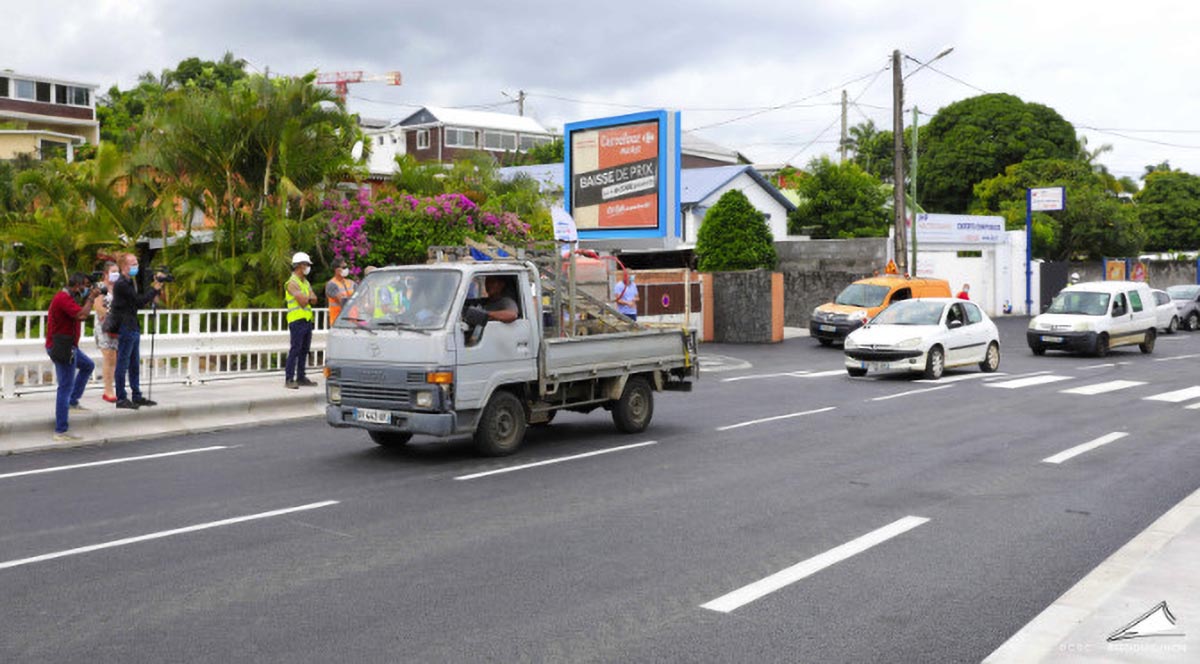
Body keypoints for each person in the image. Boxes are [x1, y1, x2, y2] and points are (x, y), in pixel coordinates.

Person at [46, 273, 102, 441]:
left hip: (70, 347)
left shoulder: (69, 297)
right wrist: (91, 298)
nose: (87, 289)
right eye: (85, 286)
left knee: (88, 366)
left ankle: (72, 402)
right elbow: (82, 315)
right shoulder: (63, 298)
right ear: (77, 285)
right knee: (64, 387)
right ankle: (61, 430)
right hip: (63, 348)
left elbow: (79, 314)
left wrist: (89, 298)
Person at [110, 253, 164, 410]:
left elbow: (137, 303)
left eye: (136, 263)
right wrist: (154, 289)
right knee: (123, 363)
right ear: (124, 266)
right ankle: (121, 397)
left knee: (134, 363)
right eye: (133, 263)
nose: (136, 266)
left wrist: (154, 289)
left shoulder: (129, 281)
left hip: (133, 325)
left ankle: (136, 395)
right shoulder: (121, 284)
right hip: (125, 326)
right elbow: (138, 301)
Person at [285, 251, 318, 389]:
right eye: (306, 264)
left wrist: (308, 298)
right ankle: (289, 379)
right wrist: (308, 298)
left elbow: (314, 299)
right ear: (299, 266)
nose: (308, 267)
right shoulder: (291, 283)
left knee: (304, 350)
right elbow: (303, 301)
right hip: (296, 320)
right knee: (295, 350)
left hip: (306, 320)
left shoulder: (305, 282)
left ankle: (301, 377)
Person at [92, 260, 120, 403]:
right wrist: (111, 314)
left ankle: (114, 387)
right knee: (109, 357)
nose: (116, 274)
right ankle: (108, 390)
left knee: (115, 358)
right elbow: (97, 306)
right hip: (104, 326)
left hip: (117, 326)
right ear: (106, 273)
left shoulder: (118, 287)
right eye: (113, 272)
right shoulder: (100, 287)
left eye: (117, 271)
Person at [325, 258, 356, 323]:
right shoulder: (331, 284)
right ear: (336, 269)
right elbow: (343, 302)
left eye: (346, 267)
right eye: (344, 267)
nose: (346, 269)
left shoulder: (351, 283)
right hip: (338, 322)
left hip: (353, 321)